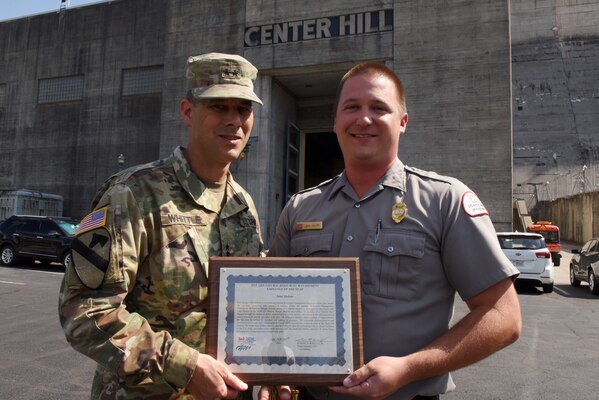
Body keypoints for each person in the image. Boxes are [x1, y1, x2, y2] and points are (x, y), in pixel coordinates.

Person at [265, 62, 522, 400]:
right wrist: (273, 371)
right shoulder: (300, 208)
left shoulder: (444, 200)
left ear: (402, 122)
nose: (363, 119)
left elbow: (503, 316)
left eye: (379, 108)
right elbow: (272, 309)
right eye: (351, 107)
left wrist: (408, 368)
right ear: (336, 121)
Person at [59, 52, 265, 400]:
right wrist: (183, 366)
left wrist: (276, 365)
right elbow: (84, 312)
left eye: (243, 109)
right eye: (219, 106)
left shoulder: (243, 206)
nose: (234, 120)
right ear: (188, 111)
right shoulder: (133, 194)